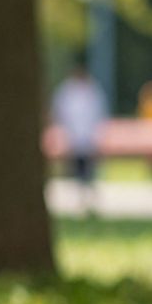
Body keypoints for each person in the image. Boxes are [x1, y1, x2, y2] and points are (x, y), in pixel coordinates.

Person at [51, 63, 109, 213]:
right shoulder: (69, 91)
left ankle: (87, 195)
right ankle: (83, 195)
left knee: (87, 167)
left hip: (86, 137)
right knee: (79, 167)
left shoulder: (90, 90)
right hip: (76, 136)